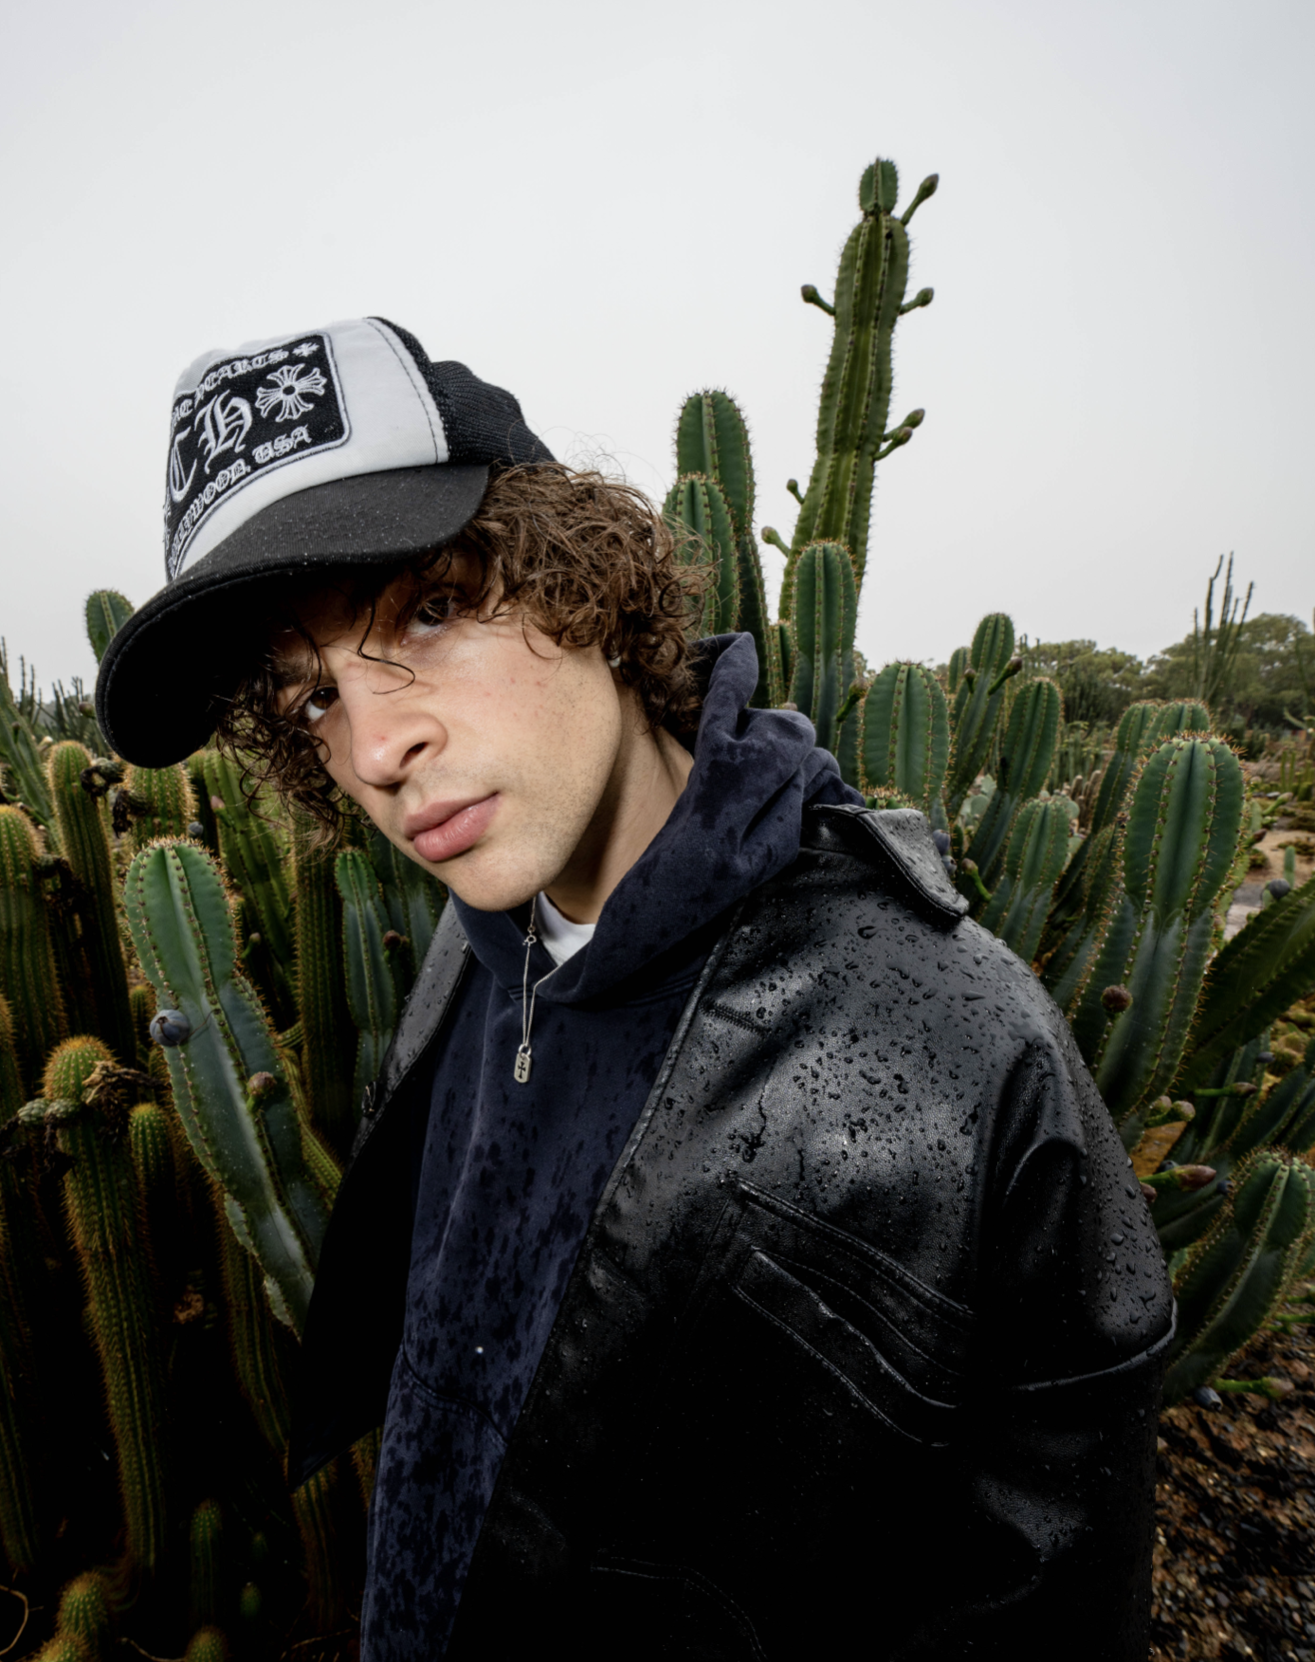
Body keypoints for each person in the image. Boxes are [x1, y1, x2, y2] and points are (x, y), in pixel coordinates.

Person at [98, 317, 1174, 1661]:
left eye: (428, 610)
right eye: (311, 696)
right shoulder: (477, 945)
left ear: (584, 580)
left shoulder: (966, 1053)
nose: (374, 748)